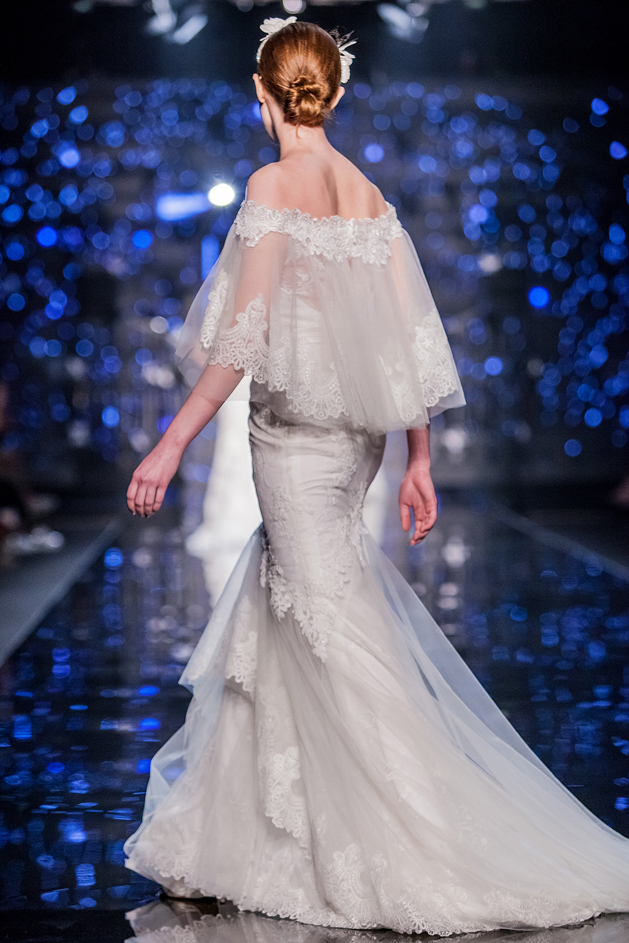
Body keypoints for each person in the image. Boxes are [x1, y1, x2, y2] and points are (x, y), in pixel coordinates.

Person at [124, 19, 629, 937]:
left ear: (260, 91)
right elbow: (409, 342)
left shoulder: (272, 185)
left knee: (329, 625)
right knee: (292, 607)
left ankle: (423, 837)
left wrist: (168, 444)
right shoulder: (367, 196)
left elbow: (241, 337)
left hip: (294, 437)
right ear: (336, 92)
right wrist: (418, 458)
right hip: (354, 439)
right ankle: (251, 838)